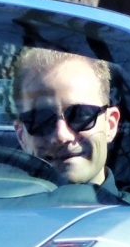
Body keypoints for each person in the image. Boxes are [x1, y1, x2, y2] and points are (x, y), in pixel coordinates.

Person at [10, 47, 122, 199]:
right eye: (41, 119)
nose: (62, 135)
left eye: (80, 115)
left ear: (111, 124)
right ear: (21, 135)